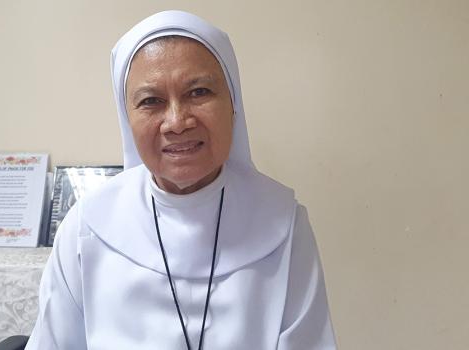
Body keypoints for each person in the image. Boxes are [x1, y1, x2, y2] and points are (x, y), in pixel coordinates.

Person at [25, 10, 336, 350]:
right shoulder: (87, 228)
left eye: (199, 92)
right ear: (126, 118)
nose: (176, 121)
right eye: (151, 101)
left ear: (233, 104)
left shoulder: (284, 223)